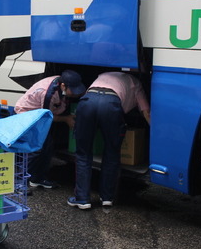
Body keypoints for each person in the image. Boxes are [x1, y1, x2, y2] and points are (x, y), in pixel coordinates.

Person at [68, 71, 150, 210]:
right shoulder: (136, 82)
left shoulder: (104, 74)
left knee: (83, 153)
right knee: (112, 152)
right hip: (111, 105)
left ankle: (82, 199)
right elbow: (145, 111)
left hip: (89, 101)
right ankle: (107, 197)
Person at [14, 70, 86, 188]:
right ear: (63, 86)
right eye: (73, 90)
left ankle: (37, 178)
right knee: (36, 149)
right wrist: (66, 119)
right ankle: (20, 183)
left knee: (47, 147)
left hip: (39, 115)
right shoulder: (48, 93)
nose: (74, 93)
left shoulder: (62, 86)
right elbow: (47, 116)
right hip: (27, 115)